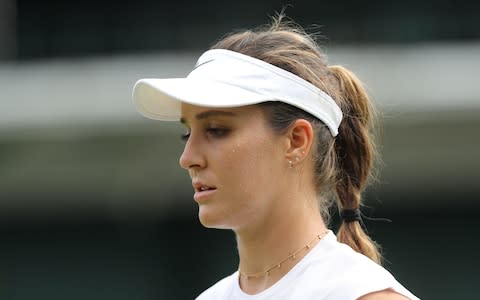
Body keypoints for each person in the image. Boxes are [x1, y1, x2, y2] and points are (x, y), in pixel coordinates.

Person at [132, 16, 419, 300]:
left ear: (296, 141)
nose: (188, 158)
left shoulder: (362, 294)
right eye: (187, 133)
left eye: (217, 130)